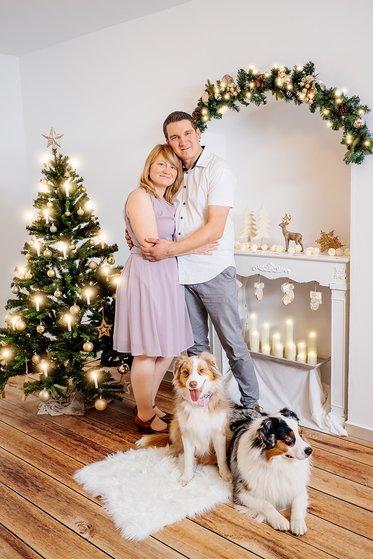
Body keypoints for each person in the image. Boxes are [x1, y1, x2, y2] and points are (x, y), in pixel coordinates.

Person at [142, 111, 260, 412]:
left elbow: (214, 229)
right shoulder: (174, 173)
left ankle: (250, 405)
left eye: (187, 133)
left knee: (233, 343)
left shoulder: (218, 170)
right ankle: (206, 406)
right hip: (181, 274)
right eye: (174, 137)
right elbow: (160, 215)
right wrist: (138, 237)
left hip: (214, 271)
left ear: (198, 133)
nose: (182, 141)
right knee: (195, 349)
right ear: (168, 141)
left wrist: (172, 249)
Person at [113, 144, 195, 434]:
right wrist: (190, 247)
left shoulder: (170, 204)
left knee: (168, 348)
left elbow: (166, 244)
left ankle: (146, 403)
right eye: (161, 164)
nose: (167, 170)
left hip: (167, 275)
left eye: (173, 167)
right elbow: (150, 244)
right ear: (149, 167)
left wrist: (176, 248)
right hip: (147, 275)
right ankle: (144, 414)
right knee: (148, 349)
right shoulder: (139, 196)